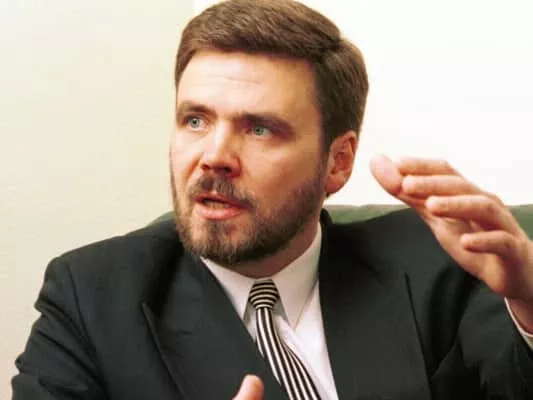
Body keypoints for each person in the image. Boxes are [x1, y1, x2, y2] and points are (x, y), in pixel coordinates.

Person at [12, 0, 533, 399]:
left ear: (338, 162)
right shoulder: (91, 298)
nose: (214, 156)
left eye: (259, 129)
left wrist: (530, 302)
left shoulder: (433, 261)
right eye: (195, 120)